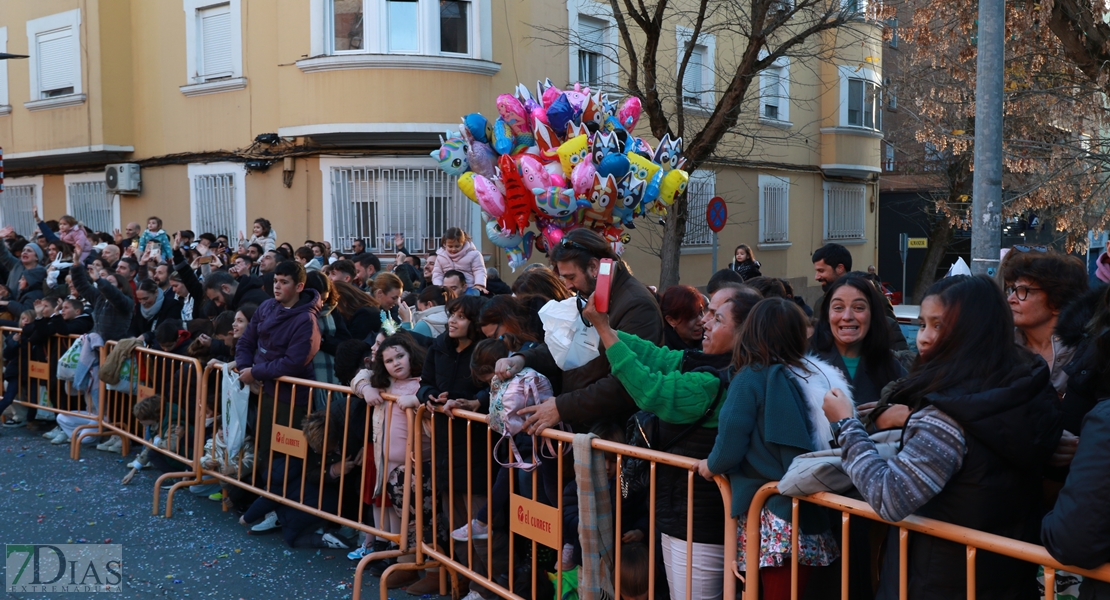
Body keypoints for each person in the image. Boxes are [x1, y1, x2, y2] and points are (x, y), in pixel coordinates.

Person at [823, 275, 1062, 600]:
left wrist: (846, 425)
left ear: (972, 331)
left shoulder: (947, 415)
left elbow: (890, 496)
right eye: (922, 325)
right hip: (1000, 577)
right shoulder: (1026, 387)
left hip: (936, 581)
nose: (924, 338)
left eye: (939, 326)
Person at [582, 283, 764, 600]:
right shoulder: (713, 364)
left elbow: (651, 391)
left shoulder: (716, 382)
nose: (704, 321)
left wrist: (604, 331)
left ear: (744, 333)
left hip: (699, 524)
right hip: (680, 515)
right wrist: (606, 329)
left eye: (717, 318)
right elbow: (659, 357)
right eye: (707, 312)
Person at [697, 298, 842, 600]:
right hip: (805, 508)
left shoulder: (750, 377)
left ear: (750, 331)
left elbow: (730, 445)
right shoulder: (805, 376)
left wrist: (709, 466)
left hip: (771, 512)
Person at [498, 229, 663, 434]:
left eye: (571, 277)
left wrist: (562, 407)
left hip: (613, 433)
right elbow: (565, 347)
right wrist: (522, 358)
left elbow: (627, 382)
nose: (567, 286)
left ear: (594, 267)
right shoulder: (595, 295)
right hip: (589, 425)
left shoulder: (636, 305)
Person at [235, 260, 321, 492]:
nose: (277, 286)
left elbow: (293, 363)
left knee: (284, 454)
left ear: (299, 287)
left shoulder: (306, 320)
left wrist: (255, 372)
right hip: (263, 389)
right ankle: (264, 498)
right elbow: (246, 340)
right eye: (275, 281)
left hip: (290, 397)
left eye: (284, 282)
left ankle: (279, 504)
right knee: (264, 447)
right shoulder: (266, 307)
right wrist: (245, 368)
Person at [999, 249, 1089, 394]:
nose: (1011, 300)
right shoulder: (1001, 347)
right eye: (1012, 290)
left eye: (1023, 291)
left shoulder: (1086, 350)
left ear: (1056, 301)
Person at [810, 275, 906, 410]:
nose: (847, 317)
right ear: (827, 314)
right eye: (838, 307)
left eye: (859, 307)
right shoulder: (804, 362)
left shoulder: (890, 366)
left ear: (873, 314)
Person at [130, 279, 185, 348]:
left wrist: (146, 336)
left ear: (156, 292)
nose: (143, 302)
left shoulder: (172, 305)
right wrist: (132, 337)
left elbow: (168, 329)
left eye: (145, 298)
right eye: (139, 299)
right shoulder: (139, 306)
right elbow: (134, 327)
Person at [432, 227, 487, 293]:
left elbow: (479, 270)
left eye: (457, 246)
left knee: (472, 296)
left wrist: (479, 284)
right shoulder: (441, 256)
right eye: (450, 246)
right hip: (447, 288)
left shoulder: (474, 255)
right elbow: (437, 273)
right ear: (445, 244)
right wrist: (439, 286)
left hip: (469, 287)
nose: (454, 249)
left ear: (463, 243)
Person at [659, 285, 706, 351]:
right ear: (671, 320)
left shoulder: (711, 340)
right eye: (691, 316)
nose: (701, 321)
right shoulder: (662, 351)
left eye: (701, 312)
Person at [204, 271, 270, 314]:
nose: (217, 304)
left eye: (217, 299)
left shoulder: (251, 301)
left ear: (226, 288)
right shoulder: (241, 299)